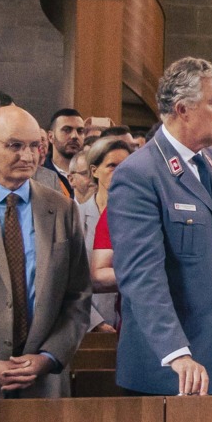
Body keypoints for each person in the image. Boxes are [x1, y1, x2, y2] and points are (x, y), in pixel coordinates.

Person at [107, 57, 212, 396]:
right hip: (169, 369)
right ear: (182, 109)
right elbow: (141, 276)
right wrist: (176, 353)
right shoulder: (139, 174)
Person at [0, 105, 93, 399]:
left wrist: (48, 357)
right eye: (15, 146)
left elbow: (78, 297)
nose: (28, 156)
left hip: (42, 385)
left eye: (35, 146)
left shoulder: (62, 208)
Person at [78, 136, 134, 329]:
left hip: (130, 321)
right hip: (86, 324)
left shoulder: (138, 217)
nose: (120, 172)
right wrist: (97, 322)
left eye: (126, 165)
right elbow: (67, 280)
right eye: (112, 165)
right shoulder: (74, 216)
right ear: (94, 171)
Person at [43, 108, 86, 202]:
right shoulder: (37, 175)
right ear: (50, 137)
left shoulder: (93, 174)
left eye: (80, 131)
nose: (74, 136)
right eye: (67, 130)